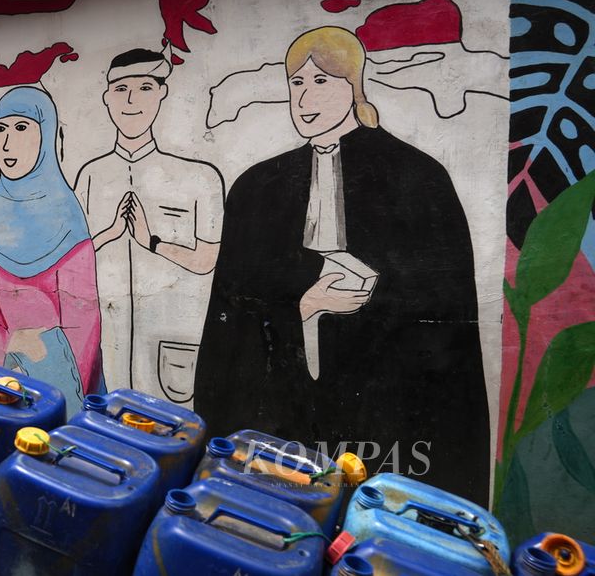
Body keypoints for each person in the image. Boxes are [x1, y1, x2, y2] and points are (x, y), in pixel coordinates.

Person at [194, 26, 490, 504]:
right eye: (296, 83)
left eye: (321, 82)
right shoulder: (257, 188)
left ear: (353, 86)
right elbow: (230, 316)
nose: (305, 98)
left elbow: (445, 322)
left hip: (386, 417)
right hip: (284, 412)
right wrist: (305, 303)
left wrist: (376, 295)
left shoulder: (418, 179)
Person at [74, 47, 224, 405]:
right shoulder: (91, 175)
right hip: (104, 340)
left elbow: (208, 259)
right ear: (107, 98)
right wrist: (108, 234)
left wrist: (154, 243)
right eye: (121, 89)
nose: (131, 100)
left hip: (172, 344)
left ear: (162, 93)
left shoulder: (198, 177)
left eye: (144, 87)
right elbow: (74, 257)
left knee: (176, 438)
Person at [0, 86, 101, 411]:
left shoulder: (66, 214)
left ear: (46, 135)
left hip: (61, 383)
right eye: (0, 129)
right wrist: (4, 354)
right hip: (3, 377)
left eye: (21, 128)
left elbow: (83, 318)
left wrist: (45, 360)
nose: (7, 142)